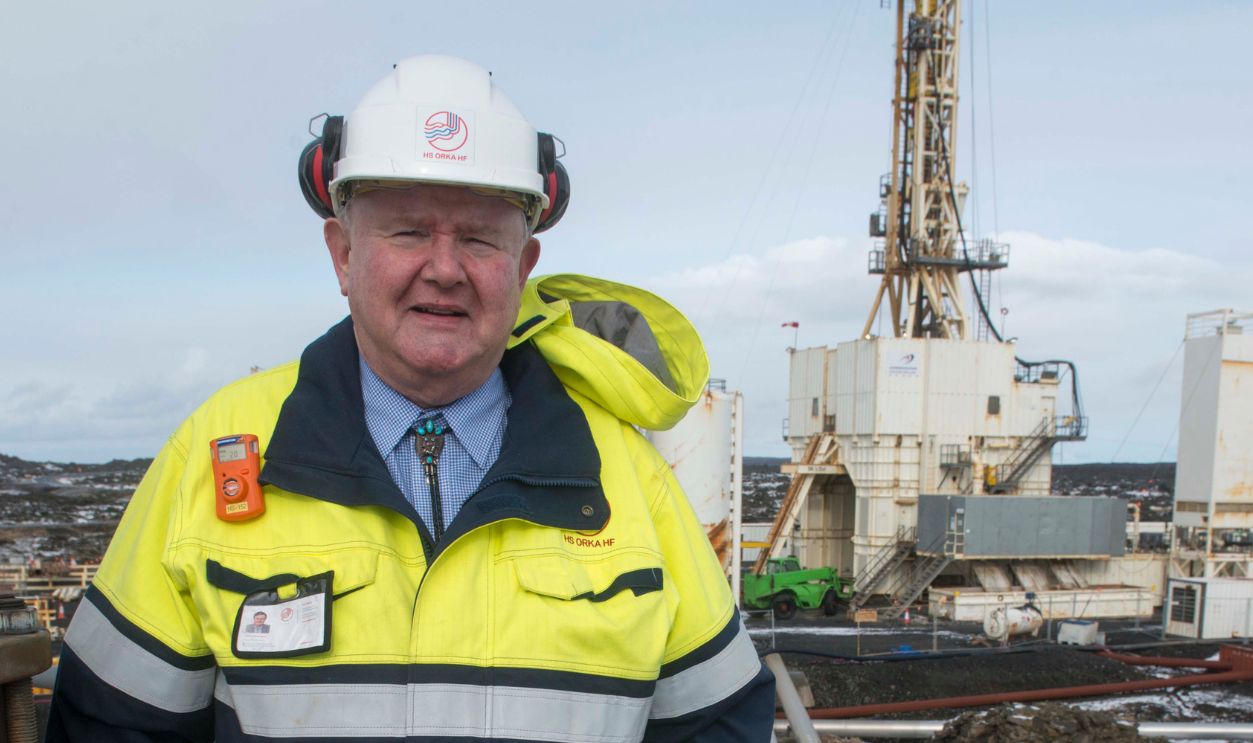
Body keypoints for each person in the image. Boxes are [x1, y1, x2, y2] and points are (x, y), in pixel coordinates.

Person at [47, 55, 774, 742]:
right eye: (408, 231)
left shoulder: (623, 473)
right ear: (343, 253)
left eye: (481, 239)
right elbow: (110, 722)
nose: (445, 269)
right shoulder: (218, 451)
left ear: (523, 266)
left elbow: (718, 723)